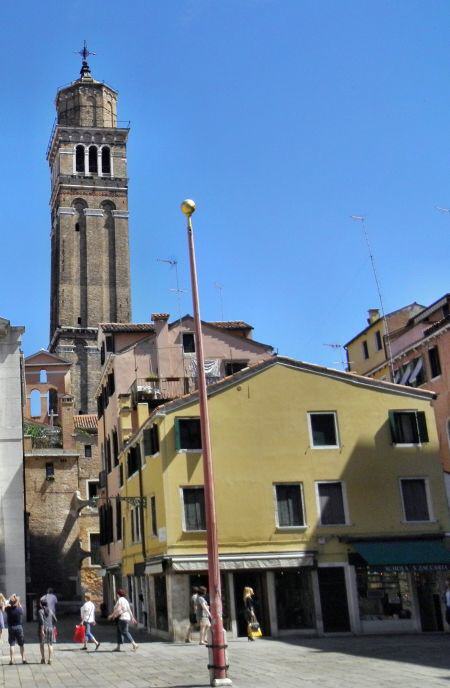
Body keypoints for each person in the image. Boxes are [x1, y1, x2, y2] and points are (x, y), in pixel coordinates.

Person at [5, 595, 26, 664]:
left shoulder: (8, 609)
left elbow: (6, 605)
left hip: (11, 627)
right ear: (16, 602)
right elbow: (22, 611)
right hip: (19, 627)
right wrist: (18, 602)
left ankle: (11, 660)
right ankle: (23, 659)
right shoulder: (19, 609)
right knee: (21, 644)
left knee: (12, 644)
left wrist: (10, 601)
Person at [38, 599, 57, 665]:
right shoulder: (51, 610)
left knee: (42, 644)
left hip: (43, 629)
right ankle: (50, 659)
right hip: (50, 628)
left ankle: (43, 658)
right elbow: (55, 620)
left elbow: (41, 622)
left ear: (41, 604)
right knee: (50, 644)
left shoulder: (40, 611)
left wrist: (42, 630)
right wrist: (53, 626)